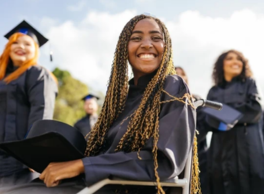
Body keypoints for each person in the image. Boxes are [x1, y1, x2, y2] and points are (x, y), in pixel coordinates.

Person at [1, 14, 196, 194]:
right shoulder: (120, 101)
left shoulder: (172, 86)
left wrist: (81, 165)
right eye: (136, 38)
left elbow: (162, 162)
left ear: (167, 46)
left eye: (156, 37)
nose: (146, 44)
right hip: (94, 184)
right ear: (123, 49)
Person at [0, 20, 58, 186]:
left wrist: (35, 153)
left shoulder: (38, 74)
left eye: (27, 43)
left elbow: (41, 112)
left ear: (35, 50)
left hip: (19, 161)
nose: (21, 46)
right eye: (15, 42)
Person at [203, 50, 264, 194]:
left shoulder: (250, 84)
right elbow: (209, 118)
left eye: (239, 59)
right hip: (220, 146)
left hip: (248, 144)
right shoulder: (214, 91)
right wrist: (236, 117)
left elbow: (255, 109)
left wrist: (223, 114)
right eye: (230, 58)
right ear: (221, 65)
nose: (235, 62)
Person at [175, 66, 209, 194]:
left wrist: (186, 140)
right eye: (175, 74)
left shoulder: (197, 101)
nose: (179, 76)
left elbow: (203, 127)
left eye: (182, 74)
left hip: (197, 154)